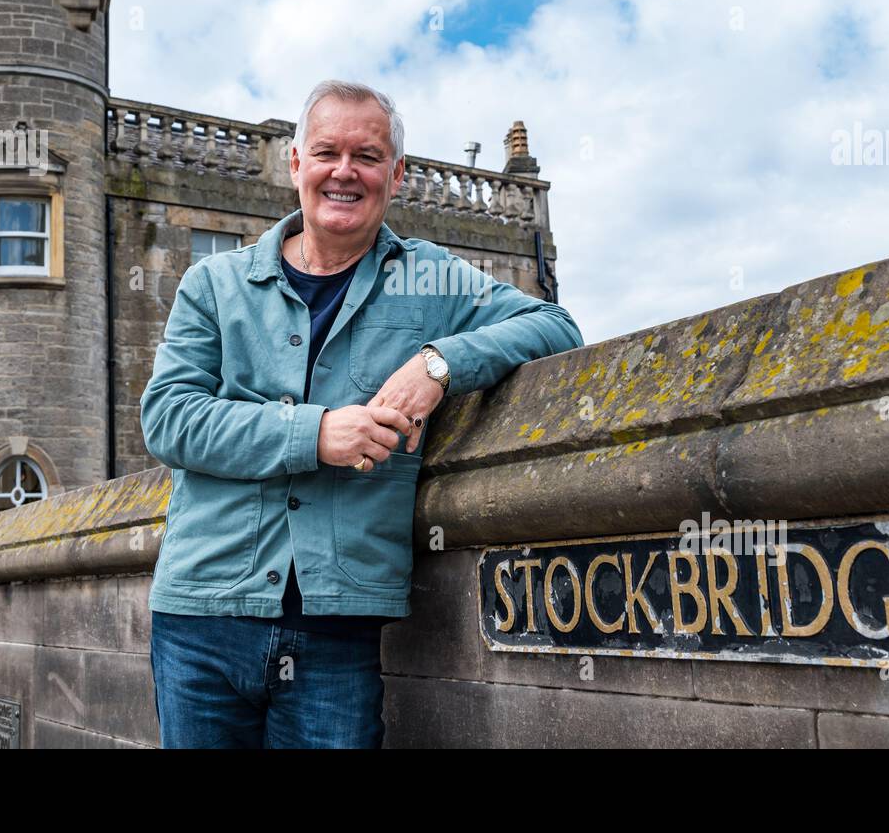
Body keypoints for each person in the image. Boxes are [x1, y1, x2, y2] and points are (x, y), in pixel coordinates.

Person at [142, 79, 584, 748]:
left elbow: (556, 327)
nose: (344, 171)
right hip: (200, 618)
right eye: (326, 153)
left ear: (396, 174)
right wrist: (316, 434)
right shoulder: (214, 284)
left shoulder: (429, 278)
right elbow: (170, 419)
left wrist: (439, 363)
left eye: (367, 156)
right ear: (296, 164)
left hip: (337, 634)